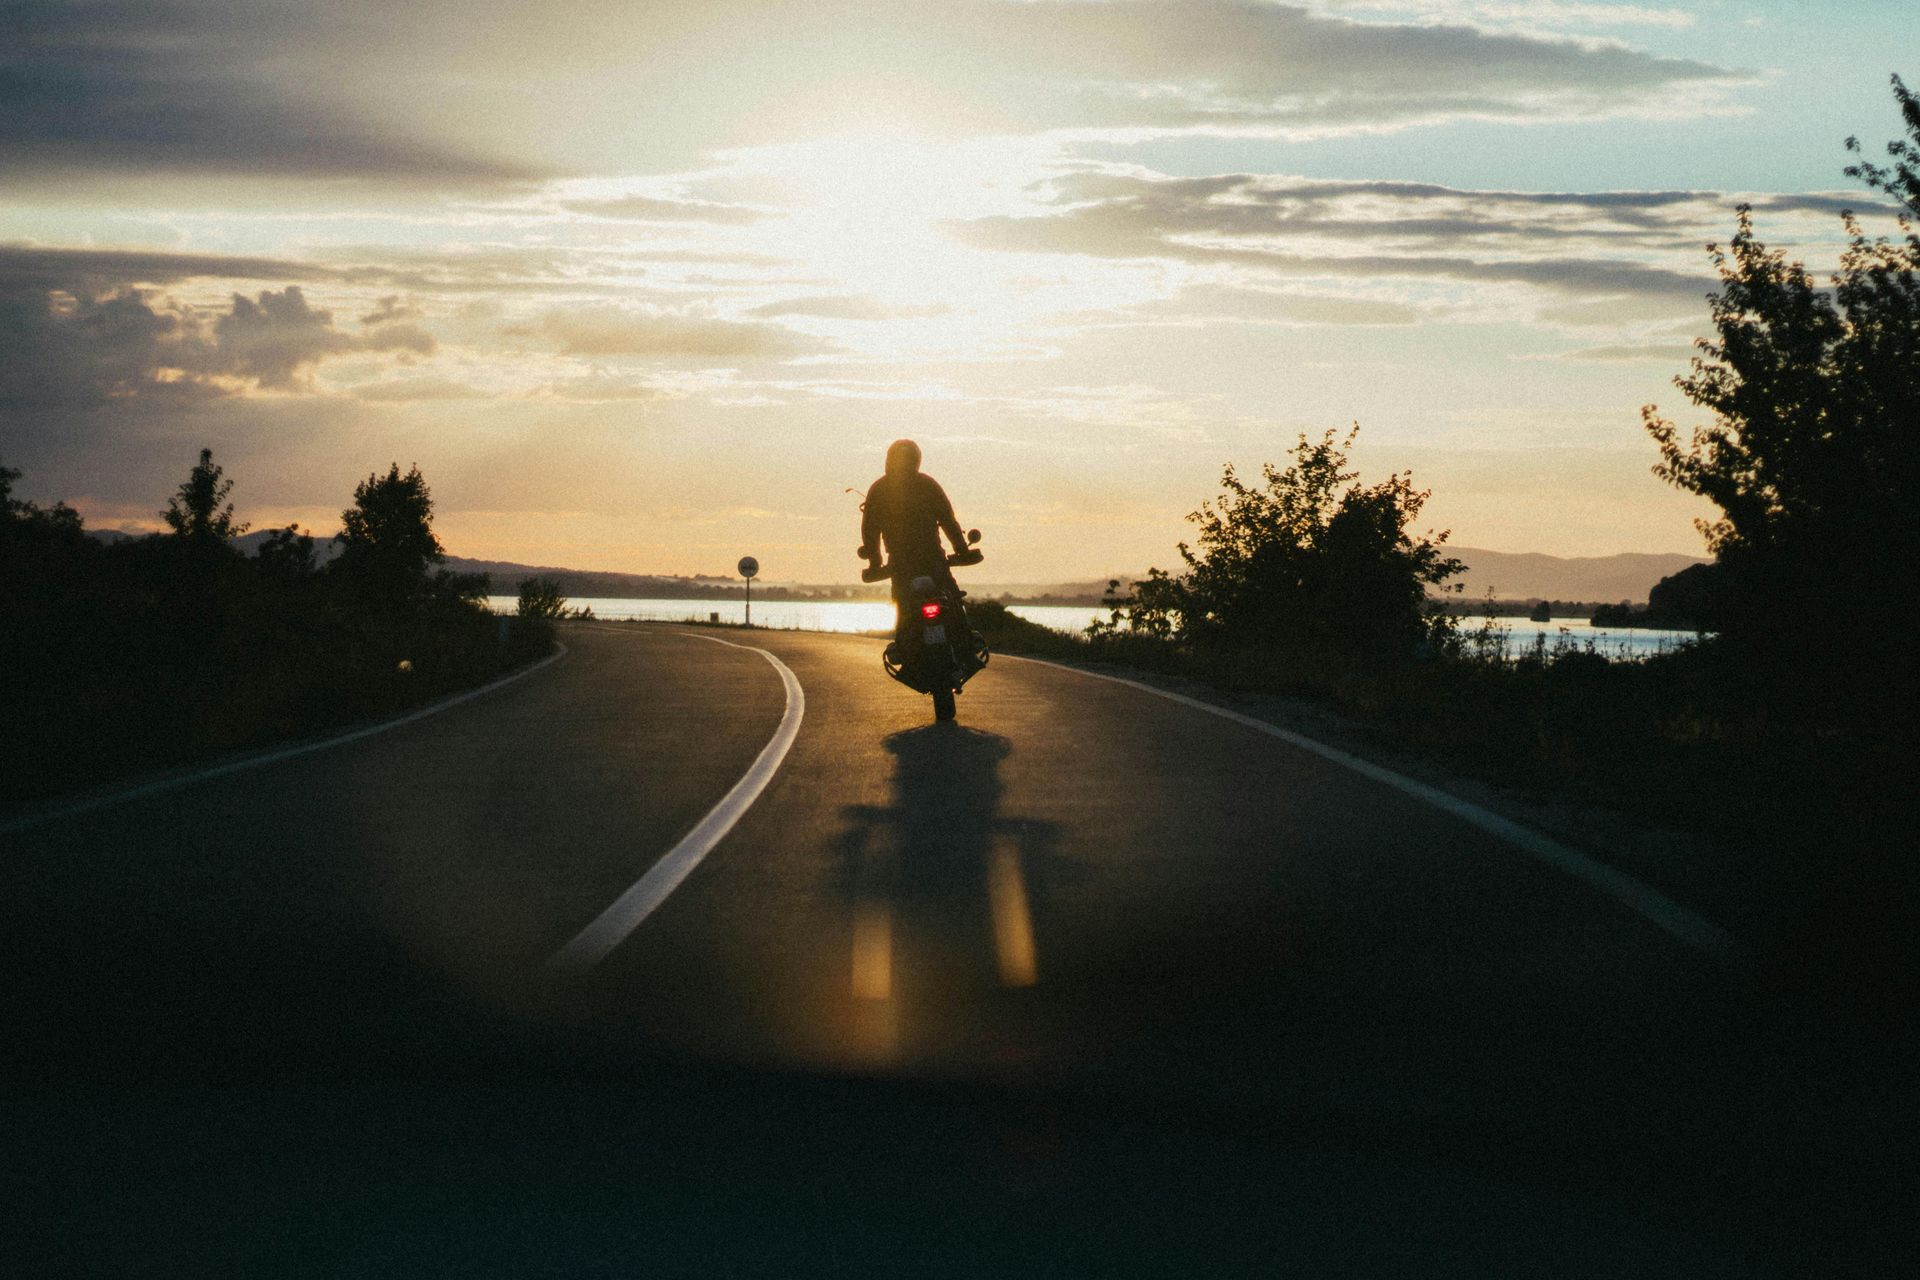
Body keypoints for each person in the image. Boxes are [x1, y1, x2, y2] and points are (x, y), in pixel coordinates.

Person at [859, 439, 970, 641]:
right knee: (952, 599)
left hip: (902, 565)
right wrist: (962, 549)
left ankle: (905, 648)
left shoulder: (879, 489)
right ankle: (965, 642)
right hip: (932, 560)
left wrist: (875, 563)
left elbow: (870, 532)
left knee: (906, 606)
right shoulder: (927, 484)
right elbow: (948, 521)